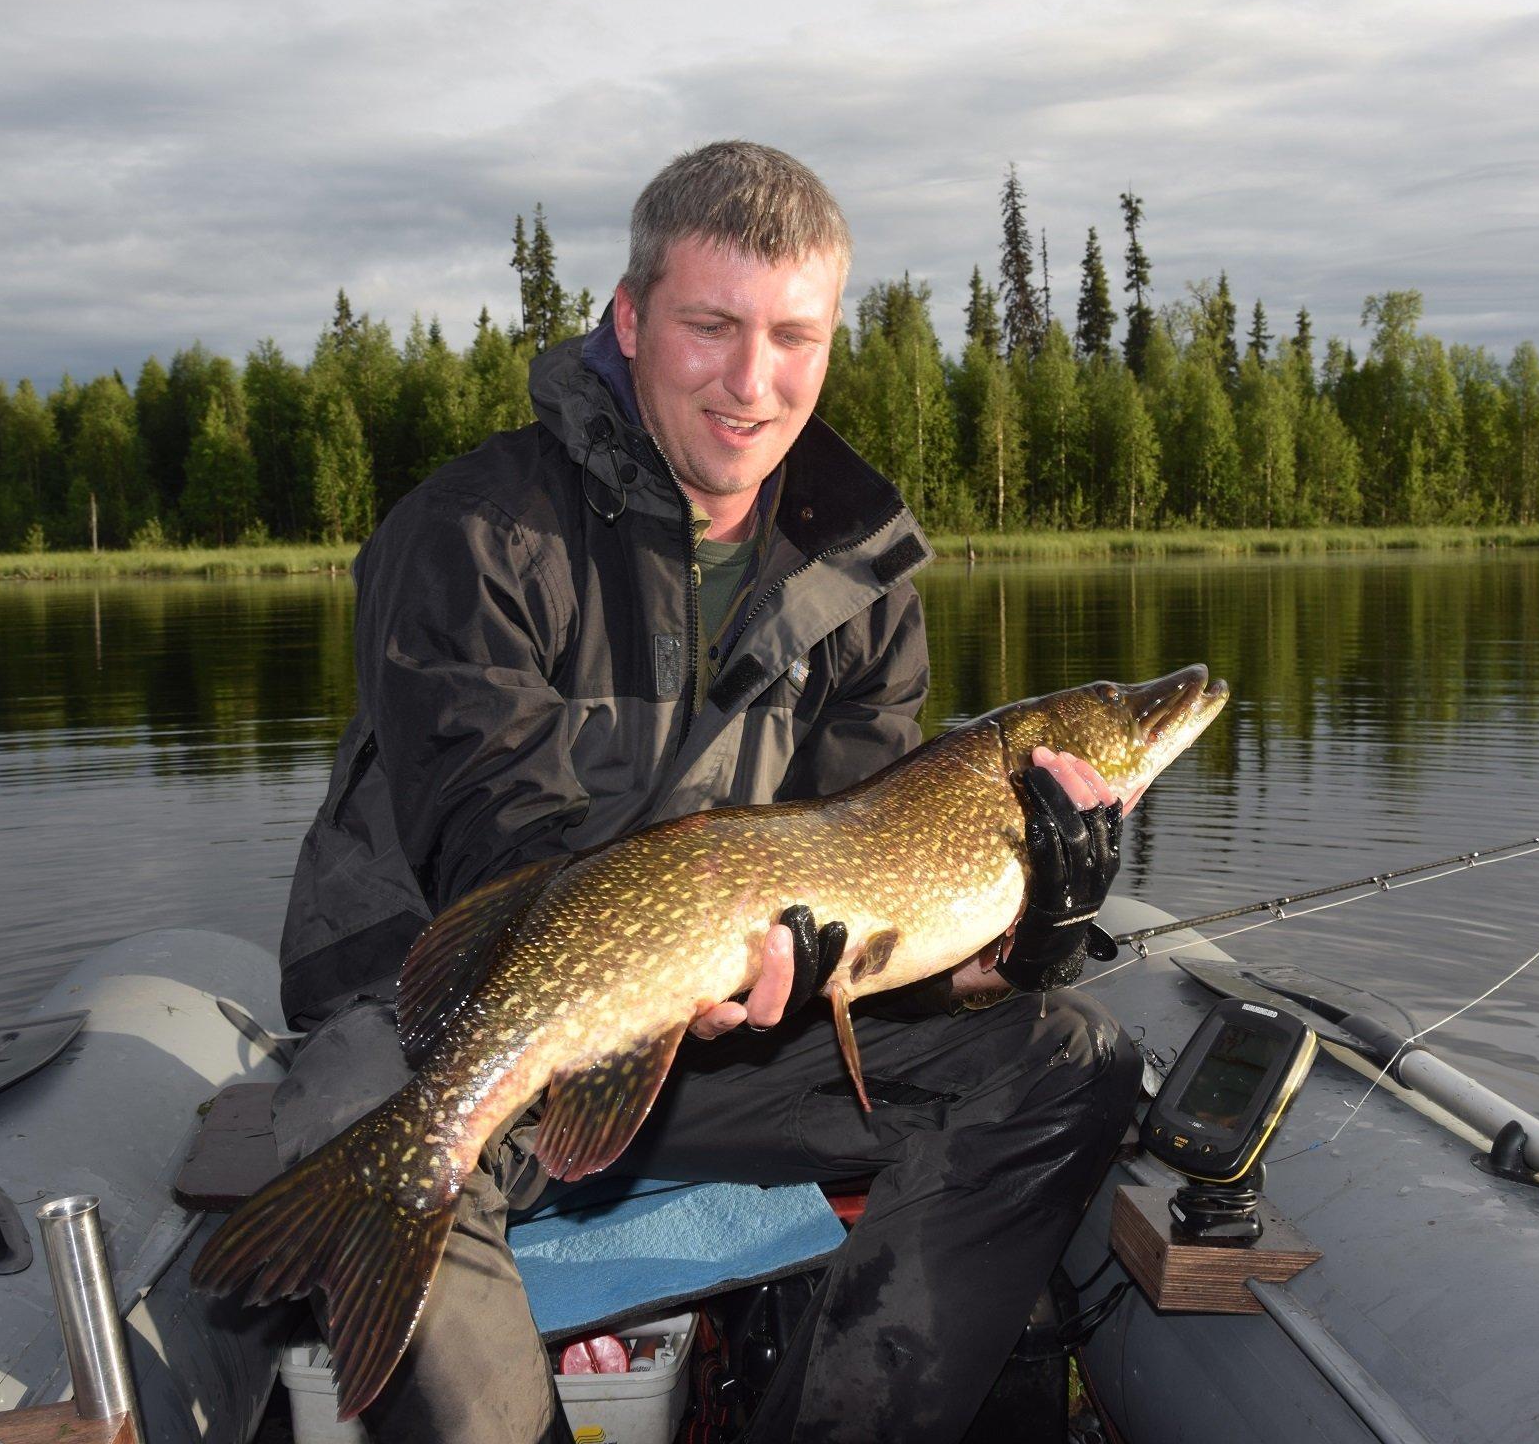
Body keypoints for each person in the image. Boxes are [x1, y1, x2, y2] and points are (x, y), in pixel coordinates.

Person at [273, 141, 1142, 1444]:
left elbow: (870, 878)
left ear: (832, 339)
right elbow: (493, 829)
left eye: (795, 335)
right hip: (447, 1014)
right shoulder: (470, 533)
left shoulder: (864, 585)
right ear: (628, 323)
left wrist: (1040, 920)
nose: (753, 381)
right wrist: (675, 960)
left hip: (723, 1036)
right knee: (380, 1138)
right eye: (710, 327)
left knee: (1065, 1061)